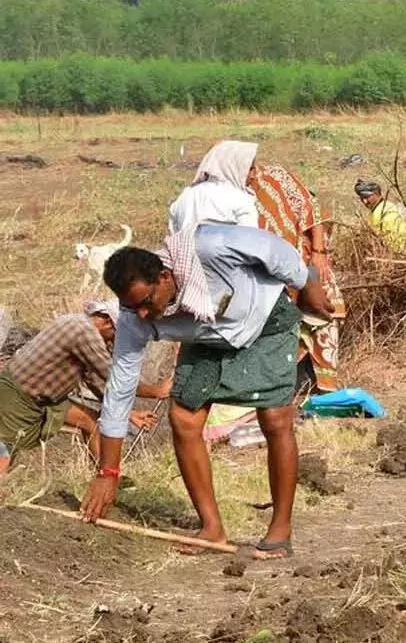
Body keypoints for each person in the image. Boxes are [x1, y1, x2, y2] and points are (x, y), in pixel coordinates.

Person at [83, 227, 336, 559]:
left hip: (265, 322)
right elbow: (120, 389)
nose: (143, 314)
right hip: (207, 338)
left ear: (165, 276)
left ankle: (280, 530)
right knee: (184, 417)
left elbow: (277, 251)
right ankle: (212, 528)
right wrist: (108, 472)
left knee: (275, 420)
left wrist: (309, 282)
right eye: (134, 308)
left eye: (146, 302)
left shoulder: (211, 247)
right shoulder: (133, 318)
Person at [0, 301, 169, 476]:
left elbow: (95, 381)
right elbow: (114, 377)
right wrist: (156, 391)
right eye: (115, 336)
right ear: (106, 322)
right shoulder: (83, 331)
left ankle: (108, 477)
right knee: (5, 451)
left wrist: (129, 413)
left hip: (45, 399)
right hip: (17, 395)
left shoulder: (81, 329)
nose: (113, 341)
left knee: (91, 422)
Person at [252, 161, 346, 394]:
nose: (252, 174)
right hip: (275, 280)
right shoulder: (234, 195)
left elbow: (311, 209)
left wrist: (318, 252)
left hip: (309, 265)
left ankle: (323, 391)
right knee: (285, 330)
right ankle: (294, 391)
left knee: (321, 316)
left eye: (253, 169)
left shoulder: (275, 175)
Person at [167, 140, 260, 234]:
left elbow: (173, 234)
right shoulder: (241, 200)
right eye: (250, 169)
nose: (253, 176)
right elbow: (249, 243)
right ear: (232, 167)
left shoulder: (186, 195)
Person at [354, 179, 406, 255]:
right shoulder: (383, 207)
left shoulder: (383, 211)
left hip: (395, 255)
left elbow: (389, 240)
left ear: (377, 194)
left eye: (367, 197)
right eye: (362, 198)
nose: (365, 201)